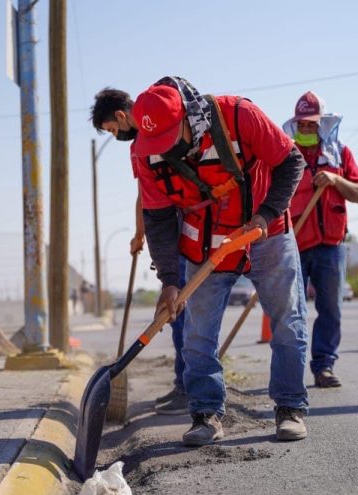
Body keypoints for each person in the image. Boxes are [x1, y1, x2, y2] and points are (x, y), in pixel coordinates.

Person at [129, 76, 309, 446]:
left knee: (288, 323)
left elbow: (292, 161)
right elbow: (159, 218)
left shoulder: (239, 115)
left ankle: (289, 406)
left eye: (168, 137)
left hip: (265, 233)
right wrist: (168, 280)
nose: (164, 148)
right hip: (205, 245)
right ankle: (206, 413)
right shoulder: (144, 152)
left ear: (187, 118)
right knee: (197, 333)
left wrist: (266, 214)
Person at [91, 88, 188, 415]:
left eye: (113, 130)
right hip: (172, 224)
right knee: (179, 311)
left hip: (182, 227)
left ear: (120, 115)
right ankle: (186, 384)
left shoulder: (150, 137)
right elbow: (145, 195)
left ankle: (189, 387)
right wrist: (139, 234)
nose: (116, 136)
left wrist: (142, 232)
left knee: (180, 309)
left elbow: (147, 197)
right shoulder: (145, 142)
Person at [282, 91, 358, 388]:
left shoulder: (340, 154)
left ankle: (324, 366)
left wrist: (335, 180)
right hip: (294, 246)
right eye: (301, 125)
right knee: (293, 311)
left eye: (311, 125)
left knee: (331, 308)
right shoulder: (285, 156)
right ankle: (291, 372)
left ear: (322, 125)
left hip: (331, 247)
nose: (306, 130)